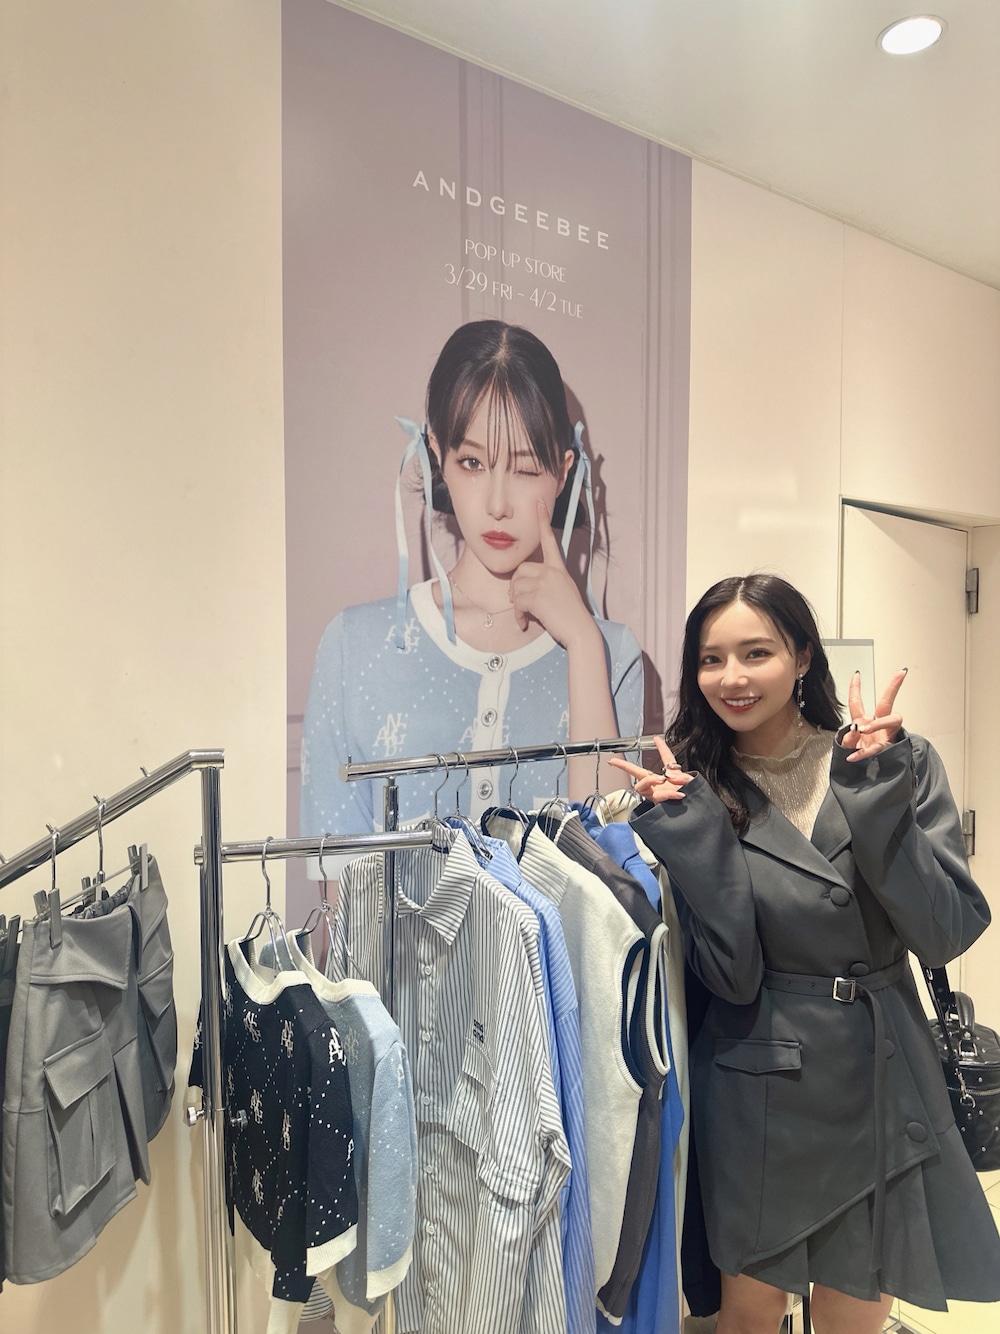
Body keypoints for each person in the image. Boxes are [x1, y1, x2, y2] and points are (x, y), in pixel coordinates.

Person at [610, 574, 1000, 1334]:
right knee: (750, 1314)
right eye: (711, 659)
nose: (732, 677)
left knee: (856, 1313)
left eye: (756, 652)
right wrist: (694, 842)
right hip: (757, 1081)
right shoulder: (693, 792)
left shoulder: (891, 760)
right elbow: (732, 976)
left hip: (882, 1071)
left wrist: (877, 796)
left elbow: (945, 932)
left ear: (802, 657)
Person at [301, 319, 643, 843]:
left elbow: (607, 858)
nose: (498, 504)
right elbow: (336, 878)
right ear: (437, 455)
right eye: (473, 462)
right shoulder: (354, 647)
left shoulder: (612, 655)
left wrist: (581, 642)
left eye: (525, 468)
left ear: (562, 471)